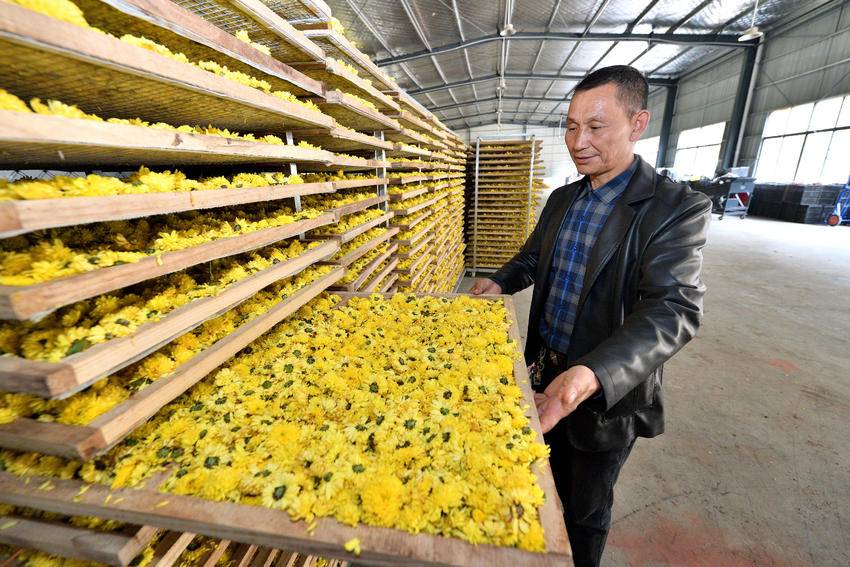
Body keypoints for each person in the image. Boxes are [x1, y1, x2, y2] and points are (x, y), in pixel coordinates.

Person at [470, 65, 712, 567]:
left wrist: (592, 374)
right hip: (542, 372)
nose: (578, 142)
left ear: (637, 123)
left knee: (583, 511)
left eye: (596, 127)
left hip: (602, 390)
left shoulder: (674, 208)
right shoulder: (564, 197)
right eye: (571, 126)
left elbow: (672, 308)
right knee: (535, 485)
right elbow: (534, 257)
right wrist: (501, 280)